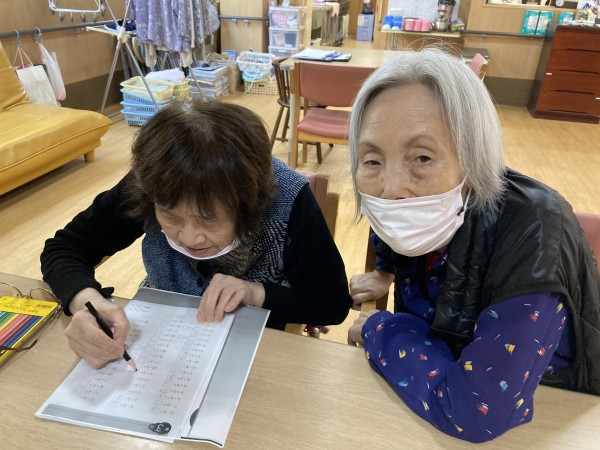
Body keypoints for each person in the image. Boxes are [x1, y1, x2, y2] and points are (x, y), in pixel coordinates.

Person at [346, 48, 600, 443]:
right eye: (372, 161)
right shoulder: (427, 207)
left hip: (551, 403)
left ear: (473, 158)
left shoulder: (534, 231)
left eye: (422, 158)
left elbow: (476, 412)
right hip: (434, 367)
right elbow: (395, 227)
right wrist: (385, 270)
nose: (392, 189)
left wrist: (381, 328)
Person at [41, 100, 352, 369]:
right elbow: (65, 248)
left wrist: (255, 293)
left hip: (259, 346)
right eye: (170, 215)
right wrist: (86, 303)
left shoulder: (287, 198)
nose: (189, 239)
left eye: (210, 219)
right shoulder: (155, 183)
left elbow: (332, 302)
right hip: (160, 337)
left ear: (249, 203)